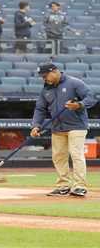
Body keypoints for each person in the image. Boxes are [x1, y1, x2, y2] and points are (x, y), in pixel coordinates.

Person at [31, 63, 96, 197]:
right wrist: (36, 125)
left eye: (45, 76)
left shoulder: (74, 83)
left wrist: (79, 105)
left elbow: (91, 97)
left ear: (54, 71)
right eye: (42, 77)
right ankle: (63, 186)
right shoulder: (46, 89)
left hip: (76, 126)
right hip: (57, 127)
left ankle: (79, 186)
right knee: (58, 157)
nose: (44, 79)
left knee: (76, 154)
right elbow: (40, 109)